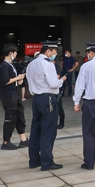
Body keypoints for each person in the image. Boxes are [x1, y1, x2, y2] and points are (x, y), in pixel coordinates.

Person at [26, 41, 66, 170]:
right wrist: (61, 80)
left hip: (36, 98)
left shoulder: (31, 64)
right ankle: (47, 161)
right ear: (48, 51)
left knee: (36, 130)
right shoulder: (48, 64)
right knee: (48, 131)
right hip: (48, 98)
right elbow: (53, 84)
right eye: (54, 52)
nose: (55, 55)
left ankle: (34, 160)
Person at [0, 44, 29, 150]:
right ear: (10, 53)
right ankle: (6, 142)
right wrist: (18, 78)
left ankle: (23, 139)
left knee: (20, 115)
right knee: (10, 117)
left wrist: (18, 80)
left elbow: (12, 79)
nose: (16, 54)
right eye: (15, 52)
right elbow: (5, 81)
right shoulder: (4, 65)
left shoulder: (11, 65)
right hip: (9, 95)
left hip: (15, 93)